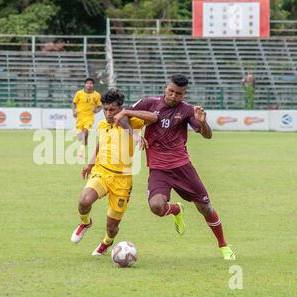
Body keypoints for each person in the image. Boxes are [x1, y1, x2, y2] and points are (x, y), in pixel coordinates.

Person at [113, 74, 235, 260]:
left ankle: (223, 245)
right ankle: (176, 210)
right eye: (171, 91)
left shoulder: (187, 110)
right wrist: (134, 135)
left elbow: (207, 135)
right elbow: (122, 117)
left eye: (178, 94)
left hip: (182, 168)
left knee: (205, 207)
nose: (173, 96)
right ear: (165, 88)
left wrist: (202, 122)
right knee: (156, 207)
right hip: (158, 168)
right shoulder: (149, 103)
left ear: (184, 94)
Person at [70, 89, 154, 255]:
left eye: (112, 110)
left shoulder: (132, 121)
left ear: (120, 109)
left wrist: (129, 118)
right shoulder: (102, 125)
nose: (108, 113)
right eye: (105, 109)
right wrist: (90, 163)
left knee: (112, 227)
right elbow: (101, 143)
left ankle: (106, 243)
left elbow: (153, 118)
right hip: (101, 172)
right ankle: (85, 223)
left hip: (122, 180)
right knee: (84, 200)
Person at [72, 78, 102, 160]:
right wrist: (74, 111)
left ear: (93, 85)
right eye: (88, 83)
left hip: (89, 118)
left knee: (85, 133)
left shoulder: (97, 95)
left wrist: (97, 110)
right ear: (85, 84)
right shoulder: (79, 93)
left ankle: (80, 154)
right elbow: (74, 103)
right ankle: (83, 145)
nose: (89, 85)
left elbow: (100, 105)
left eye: (91, 83)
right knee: (80, 137)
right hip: (79, 117)